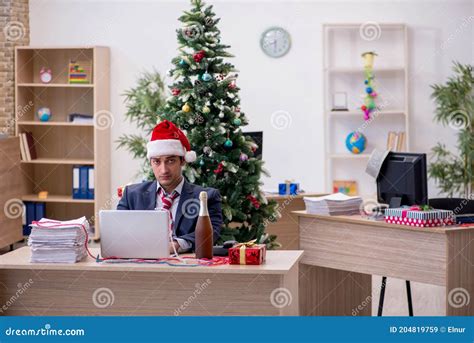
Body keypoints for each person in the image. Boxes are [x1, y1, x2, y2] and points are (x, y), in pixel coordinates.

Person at [117, 120, 223, 253]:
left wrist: (176, 245)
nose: (164, 170)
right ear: (150, 163)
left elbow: (210, 233)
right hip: (141, 264)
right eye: (157, 162)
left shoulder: (206, 197)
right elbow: (118, 233)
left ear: (182, 161)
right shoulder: (131, 195)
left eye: (171, 161)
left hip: (187, 268)